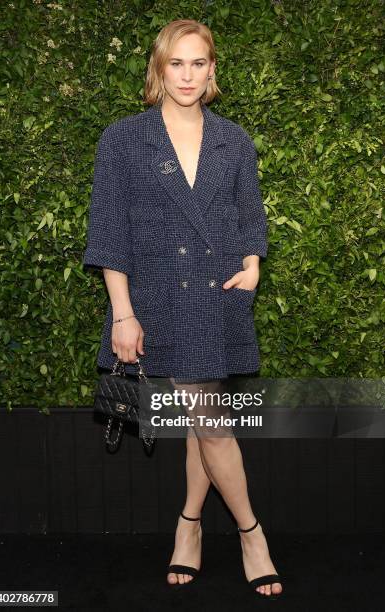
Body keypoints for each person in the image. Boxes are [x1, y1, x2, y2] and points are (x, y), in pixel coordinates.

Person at [83, 18, 283, 599]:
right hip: (154, 298)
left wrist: (253, 263)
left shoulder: (234, 140)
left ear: (212, 68)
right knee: (209, 422)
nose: (188, 75)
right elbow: (108, 232)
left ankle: (206, 527)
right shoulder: (124, 138)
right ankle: (242, 531)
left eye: (199, 63)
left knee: (205, 421)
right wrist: (122, 314)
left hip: (216, 300)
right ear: (159, 68)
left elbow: (252, 217)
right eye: (177, 63)